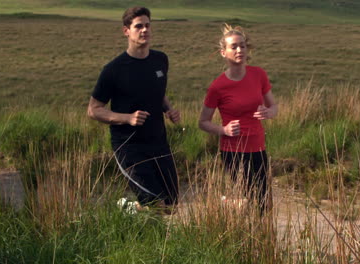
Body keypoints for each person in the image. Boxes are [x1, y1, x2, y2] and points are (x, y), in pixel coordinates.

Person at [87, 6, 180, 213]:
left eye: (147, 25)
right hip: (129, 147)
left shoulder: (160, 59)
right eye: (138, 26)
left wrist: (169, 109)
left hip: (159, 142)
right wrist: (127, 118)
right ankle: (134, 223)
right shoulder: (114, 70)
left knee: (171, 205)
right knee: (156, 205)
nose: (144, 30)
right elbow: (94, 110)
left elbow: (158, 92)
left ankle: (129, 208)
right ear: (126, 31)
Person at [198, 24, 278, 213]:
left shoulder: (258, 74)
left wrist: (269, 112)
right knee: (250, 198)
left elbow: (274, 107)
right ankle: (229, 211)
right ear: (223, 52)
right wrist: (223, 130)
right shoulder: (218, 87)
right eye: (233, 46)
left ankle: (261, 237)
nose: (239, 50)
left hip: (258, 147)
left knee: (264, 202)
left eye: (242, 45)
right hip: (233, 151)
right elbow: (202, 122)